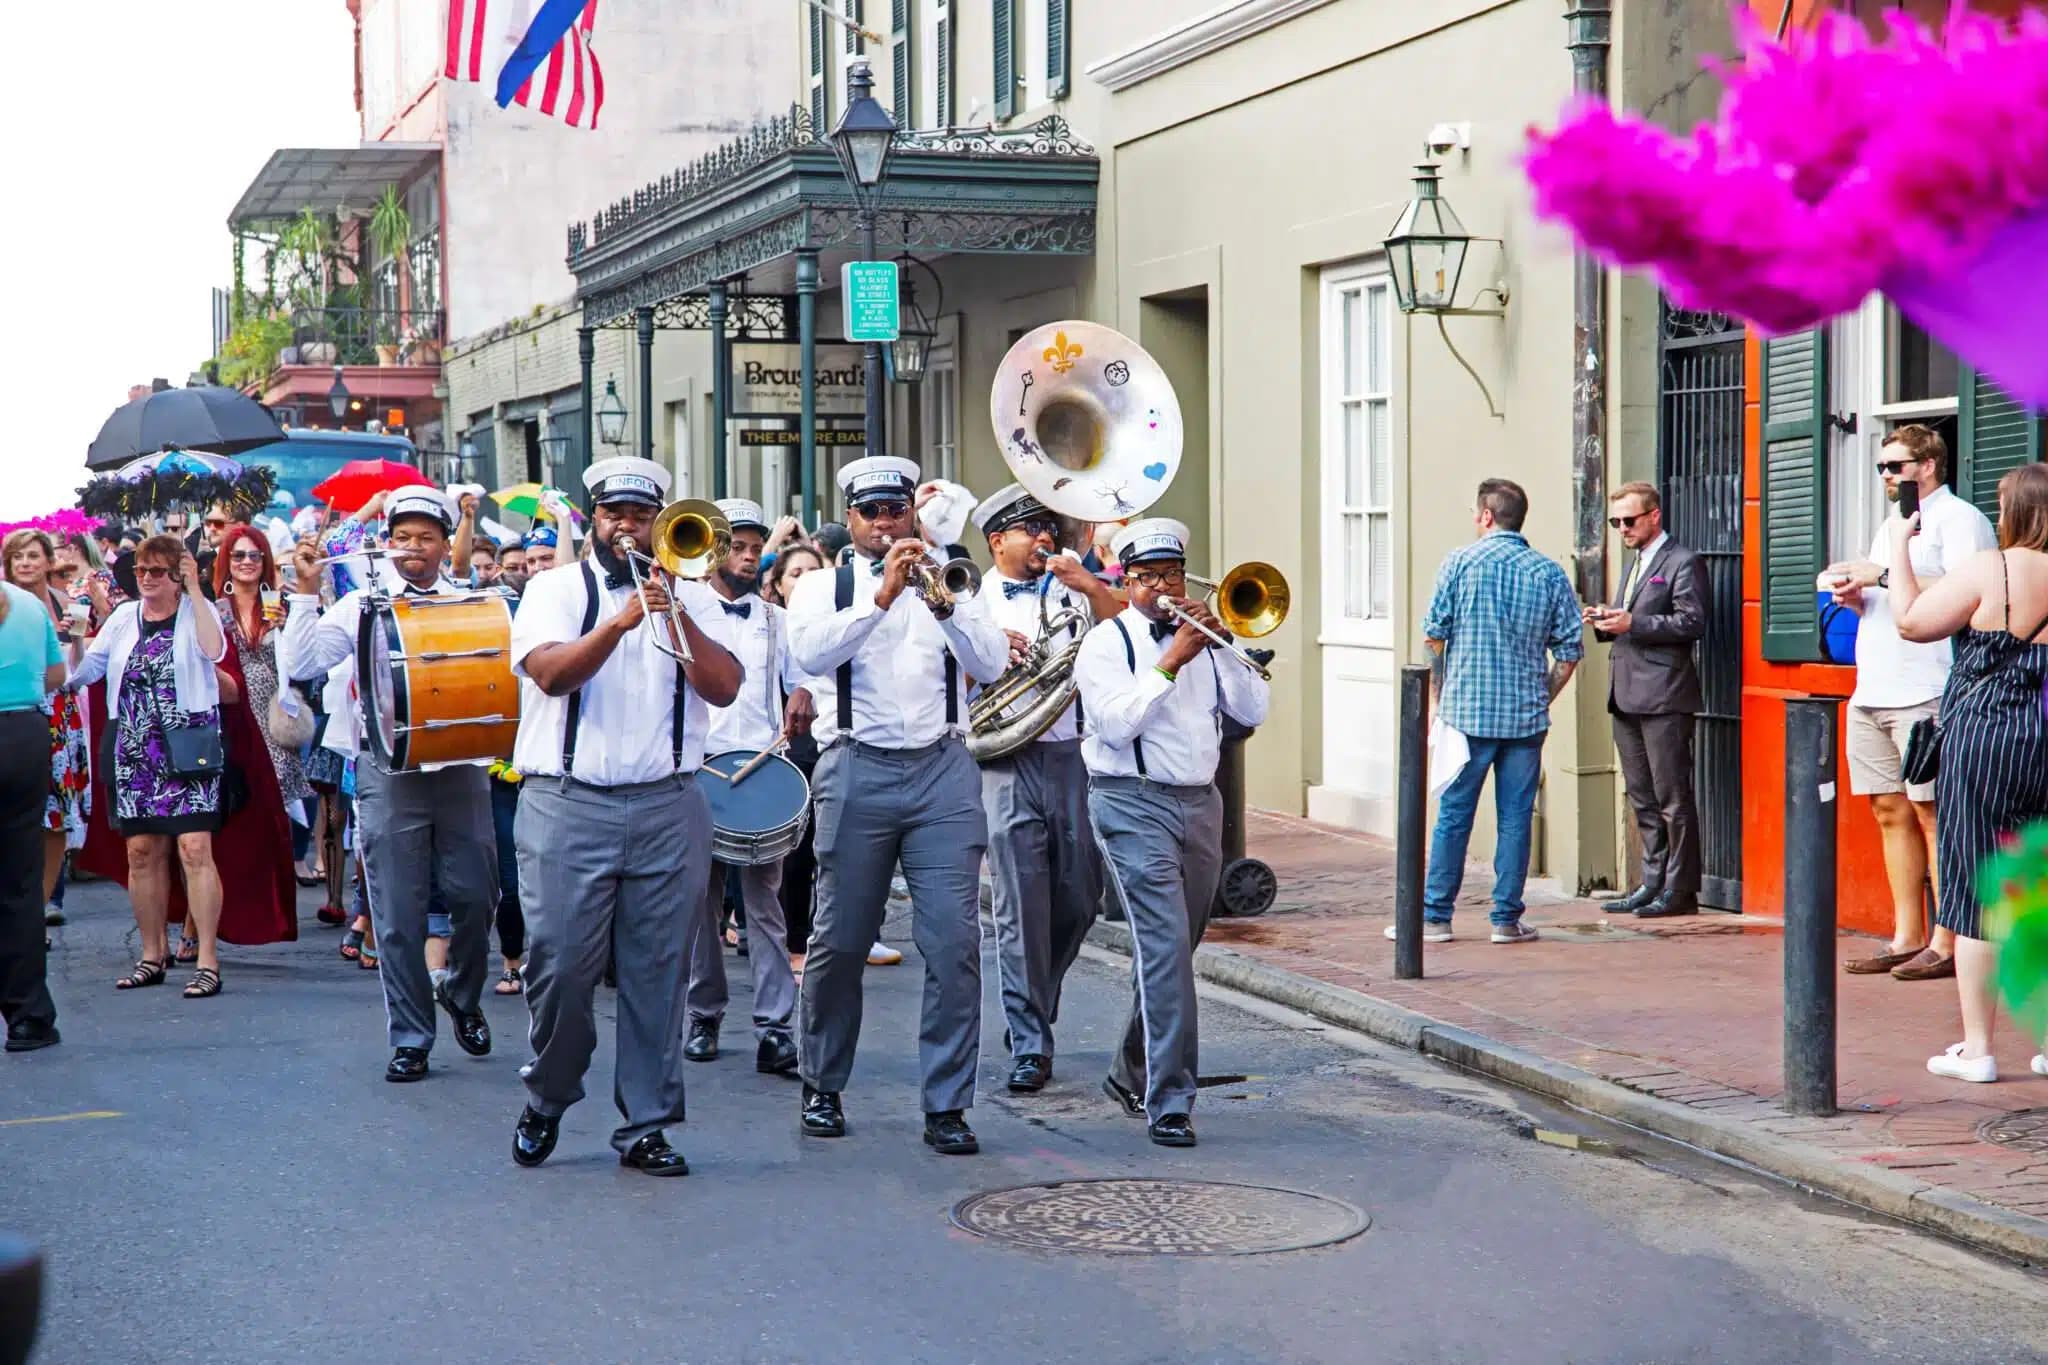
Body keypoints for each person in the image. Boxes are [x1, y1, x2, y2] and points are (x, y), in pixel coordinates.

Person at [507, 456, 742, 1175]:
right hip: (567, 803)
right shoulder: (553, 587)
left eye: (641, 516)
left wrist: (673, 615)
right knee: (559, 968)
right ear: (593, 518)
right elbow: (550, 673)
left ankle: (646, 1124)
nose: (628, 528)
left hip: (669, 803)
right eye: (615, 514)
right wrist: (623, 621)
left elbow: (726, 687)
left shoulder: (690, 594)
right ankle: (549, 1092)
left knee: (656, 973)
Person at [785, 456, 1008, 1155]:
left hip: (943, 767)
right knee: (841, 938)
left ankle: (947, 1102)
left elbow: (993, 662)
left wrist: (940, 601)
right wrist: (881, 596)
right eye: (872, 512)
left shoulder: (954, 582)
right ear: (850, 519)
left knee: (954, 943)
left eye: (897, 511)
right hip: (856, 764)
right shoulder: (825, 584)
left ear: (913, 512)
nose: (887, 524)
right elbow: (811, 657)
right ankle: (822, 1081)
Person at [283, 487, 497, 1082]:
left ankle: (461, 990)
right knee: (398, 913)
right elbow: (302, 664)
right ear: (389, 542)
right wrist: (305, 592)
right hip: (387, 769)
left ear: (443, 544)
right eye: (401, 537)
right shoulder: (362, 606)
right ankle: (411, 1037)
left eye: (425, 537)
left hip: (459, 767)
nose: (411, 548)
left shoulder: (469, 601)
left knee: (477, 898)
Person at [1073, 518, 1269, 1146]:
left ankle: (1129, 1070)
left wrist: (1219, 645)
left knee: (1175, 953)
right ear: (1126, 581)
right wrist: (1170, 661)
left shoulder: (1207, 641)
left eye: (1172, 574)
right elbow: (1112, 726)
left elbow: (1252, 711)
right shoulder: (1106, 644)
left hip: (1199, 805)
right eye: (1149, 576)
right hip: (1131, 804)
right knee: (1162, 950)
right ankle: (1171, 1100)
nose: (1162, 586)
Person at [1889, 462, 2048, 1083]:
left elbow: (1912, 621)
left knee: (1978, 889)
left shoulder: (1994, 567)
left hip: (1986, 739)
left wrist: (1901, 547)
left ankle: (1978, 1049)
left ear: (2016, 512)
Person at [1825, 425, 1995, 981]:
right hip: (1874, 684)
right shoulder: (1891, 526)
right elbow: (1893, 602)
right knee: (1887, 809)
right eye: (1880, 468)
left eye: (1894, 466)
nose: (1885, 477)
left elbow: (1974, 591)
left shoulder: (1961, 518)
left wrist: (1882, 572)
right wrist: (1857, 596)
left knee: (1934, 814)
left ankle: (1948, 941)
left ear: (1928, 464)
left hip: (1929, 686)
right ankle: (1906, 935)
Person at [970, 483, 1120, 1093]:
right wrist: (986, 652)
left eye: (1046, 526)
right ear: (996, 541)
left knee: (1080, 897)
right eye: (1026, 528)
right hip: (1006, 761)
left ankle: (1038, 993)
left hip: (1074, 757)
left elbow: (1125, 635)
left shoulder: (1075, 589)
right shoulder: (970, 598)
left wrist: (1091, 586)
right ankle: (1030, 1038)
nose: (1042, 537)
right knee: (1018, 905)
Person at [1408, 478, 1583, 945]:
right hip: (1525, 718)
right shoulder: (1548, 573)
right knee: (1515, 818)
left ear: (1486, 516)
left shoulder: (1460, 563)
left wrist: (1440, 695)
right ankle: (1505, 919)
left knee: (1454, 815)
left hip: (1467, 713)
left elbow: (1434, 636)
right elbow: (1568, 653)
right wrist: (1541, 696)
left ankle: (1435, 917)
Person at [681, 499, 815, 1074]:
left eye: (755, 546)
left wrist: (803, 693)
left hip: (761, 768)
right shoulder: (683, 609)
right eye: (737, 545)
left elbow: (804, 671)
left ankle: (775, 1027)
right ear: (714, 550)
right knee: (699, 905)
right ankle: (703, 1014)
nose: (748, 555)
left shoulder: (774, 619)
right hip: (699, 768)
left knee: (766, 905)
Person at [67, 536, 231, 998]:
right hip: (135, 744)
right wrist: (75, 642)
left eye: (157, 571)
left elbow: (214, 650)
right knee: (141, 851)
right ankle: (151, 953)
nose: (146, 579)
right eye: (140, 570)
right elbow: (86, 673)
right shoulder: (123, 617)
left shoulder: (195, 611)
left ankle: (207, 959)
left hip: (189, 741)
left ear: (176, 575)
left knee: (195, 848)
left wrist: (197, 591)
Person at [1588, 482, 1708, 918]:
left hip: (1664, 695)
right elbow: (1632, 620)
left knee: (1673, 797)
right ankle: (1651, 881)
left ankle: (1680, 890)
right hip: (1626, 692)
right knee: (1642, 796)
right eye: (1616, 521)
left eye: (1629, 520)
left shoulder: (1682, 561)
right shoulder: (1635, 563)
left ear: (1654, 515)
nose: (1622, 528)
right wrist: (1608, 619)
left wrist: (1632, 622)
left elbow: (1692, 622)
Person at [2, 532, 89, 920]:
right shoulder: (6, 602)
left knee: (56, 813)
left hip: (59, 710)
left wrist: (77, 639)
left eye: (33, 555)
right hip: (20, 710)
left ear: (48, 560)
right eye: (17, 556)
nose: (25, 563)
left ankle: (45, 902)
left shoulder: (65, 604)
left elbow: (74, 669)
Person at [1, 571, 66, 1051]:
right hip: (22, 734)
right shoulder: (27, 603)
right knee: (21, 883)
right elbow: (56, 675)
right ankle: (28, 1015)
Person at [212, 527, 312, 815]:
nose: (247, 561)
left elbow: (302, 660)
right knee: (241, 800)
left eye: (255, 555)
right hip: (233, 717)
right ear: (226, 561)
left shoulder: (282, 605)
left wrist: (285, 627)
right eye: (239, 555)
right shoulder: (216, 608)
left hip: (273, 716)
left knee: (275, 801)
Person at [763, 543, 825, 969]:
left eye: (812, 572)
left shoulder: (829, 617)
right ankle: (793, 942)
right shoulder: (771, 623)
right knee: (796, 851)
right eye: (795, 573)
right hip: (789, 743)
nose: (804, 580)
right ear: (780, 585)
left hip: (831, 739)